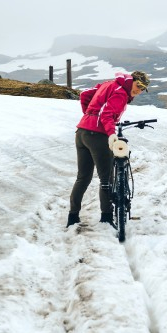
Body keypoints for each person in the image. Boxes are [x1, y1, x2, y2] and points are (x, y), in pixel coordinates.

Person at [67, 71, 151, 228]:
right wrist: (111, 134)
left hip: (81, 132)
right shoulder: (121, 93)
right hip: (98, 136)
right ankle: (106, 217)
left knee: (83, 177)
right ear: (131, 80)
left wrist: (89, 116)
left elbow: (85, 94)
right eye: (138, 85)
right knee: (106, 179)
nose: (139, 90)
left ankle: (73, 216)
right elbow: (106, 114)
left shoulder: (109, 84)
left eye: (143, 89)